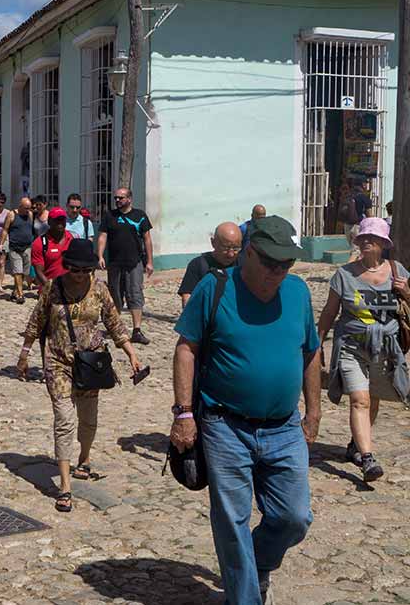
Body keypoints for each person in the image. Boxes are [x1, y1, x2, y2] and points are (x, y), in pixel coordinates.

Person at [171, 216, 320, 605]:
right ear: (249, 253)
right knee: (232, 524)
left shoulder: (299, 292)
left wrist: (314, 412)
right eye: (271, 263)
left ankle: (255, 566)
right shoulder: (215, 287)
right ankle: (246, 597)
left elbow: (311, 351)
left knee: (294, 518)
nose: (278, 273)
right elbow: (186, 349)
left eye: (286, 265)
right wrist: (184, 413)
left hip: (285, 427)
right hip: (225, 424)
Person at [16, 240, 141, 513]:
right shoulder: (53, 287)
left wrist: (130, 353)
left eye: (86, 270)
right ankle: (64, 486)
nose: (81, 275)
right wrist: (24, 355)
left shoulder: (99, 289)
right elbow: (36, 322)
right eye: (76, 270)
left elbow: (114, 323)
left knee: (88, 418)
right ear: (68, 267)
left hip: (90, 364)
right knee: (64, 420)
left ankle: (83, 458)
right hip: (57, 361)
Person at [316, 217, 409, 483]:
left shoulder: (397, 271)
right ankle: (368, 459)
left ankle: (356, 444)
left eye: (372, 238)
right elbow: (329, 313)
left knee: (374, 399)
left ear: (383, 244)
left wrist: (406, 293)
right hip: (352, 347)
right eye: (362, 238)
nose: (366, 242)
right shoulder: (344, 275)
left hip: (386, 348)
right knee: (360, 399)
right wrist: (318, 342)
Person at [97, 187, 153, 345]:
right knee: (115, 295)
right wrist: (100, 255)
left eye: (121, 198)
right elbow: (102, 236)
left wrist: (149, 261)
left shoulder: (140, 216)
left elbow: (147, 239)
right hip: (114, 263)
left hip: (134, 262)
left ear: (129, 199)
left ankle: (136, 330)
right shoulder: (110, 216)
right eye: (116, 198)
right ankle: (115, 327)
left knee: (135, 294)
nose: (117, 200)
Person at [177, 223, 243, 308]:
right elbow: (187, 297)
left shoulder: (244, 265)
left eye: (235, 248)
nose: (230, 254)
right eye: (225, 248)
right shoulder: (198, 265)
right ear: (213, 243)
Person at [3, 197, 35, 304]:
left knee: (24, 273)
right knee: (17, 271)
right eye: (26, 208)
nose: (28, 210)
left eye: (29, 208)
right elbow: (5, 229)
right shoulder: (12, 215)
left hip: (27, 247)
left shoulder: (30, 215)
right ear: (20, 206)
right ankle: (20, 295)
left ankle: (15, 291)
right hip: (14, 247)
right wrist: (1, 244)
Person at [32, 207, 72, 289]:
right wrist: (51, 288)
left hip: (69, 289)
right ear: (49, 221)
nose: (60, 223)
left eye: (62, 220)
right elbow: (39, 271)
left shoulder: (71, 238)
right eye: (57, 220)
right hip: (49, 290)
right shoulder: (39, 243)